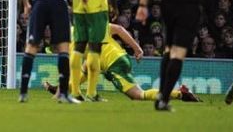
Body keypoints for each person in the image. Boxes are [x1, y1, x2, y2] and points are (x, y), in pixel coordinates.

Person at [43, 23, 201, 103]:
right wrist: (137, 48)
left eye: (54, 50)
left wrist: (58, 93)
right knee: (87, 68)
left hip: (113, 64)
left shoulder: (71, 50)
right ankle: (180, 93)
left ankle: (180, 93)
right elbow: (118, 29)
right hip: (120, 57)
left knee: (139, 95)